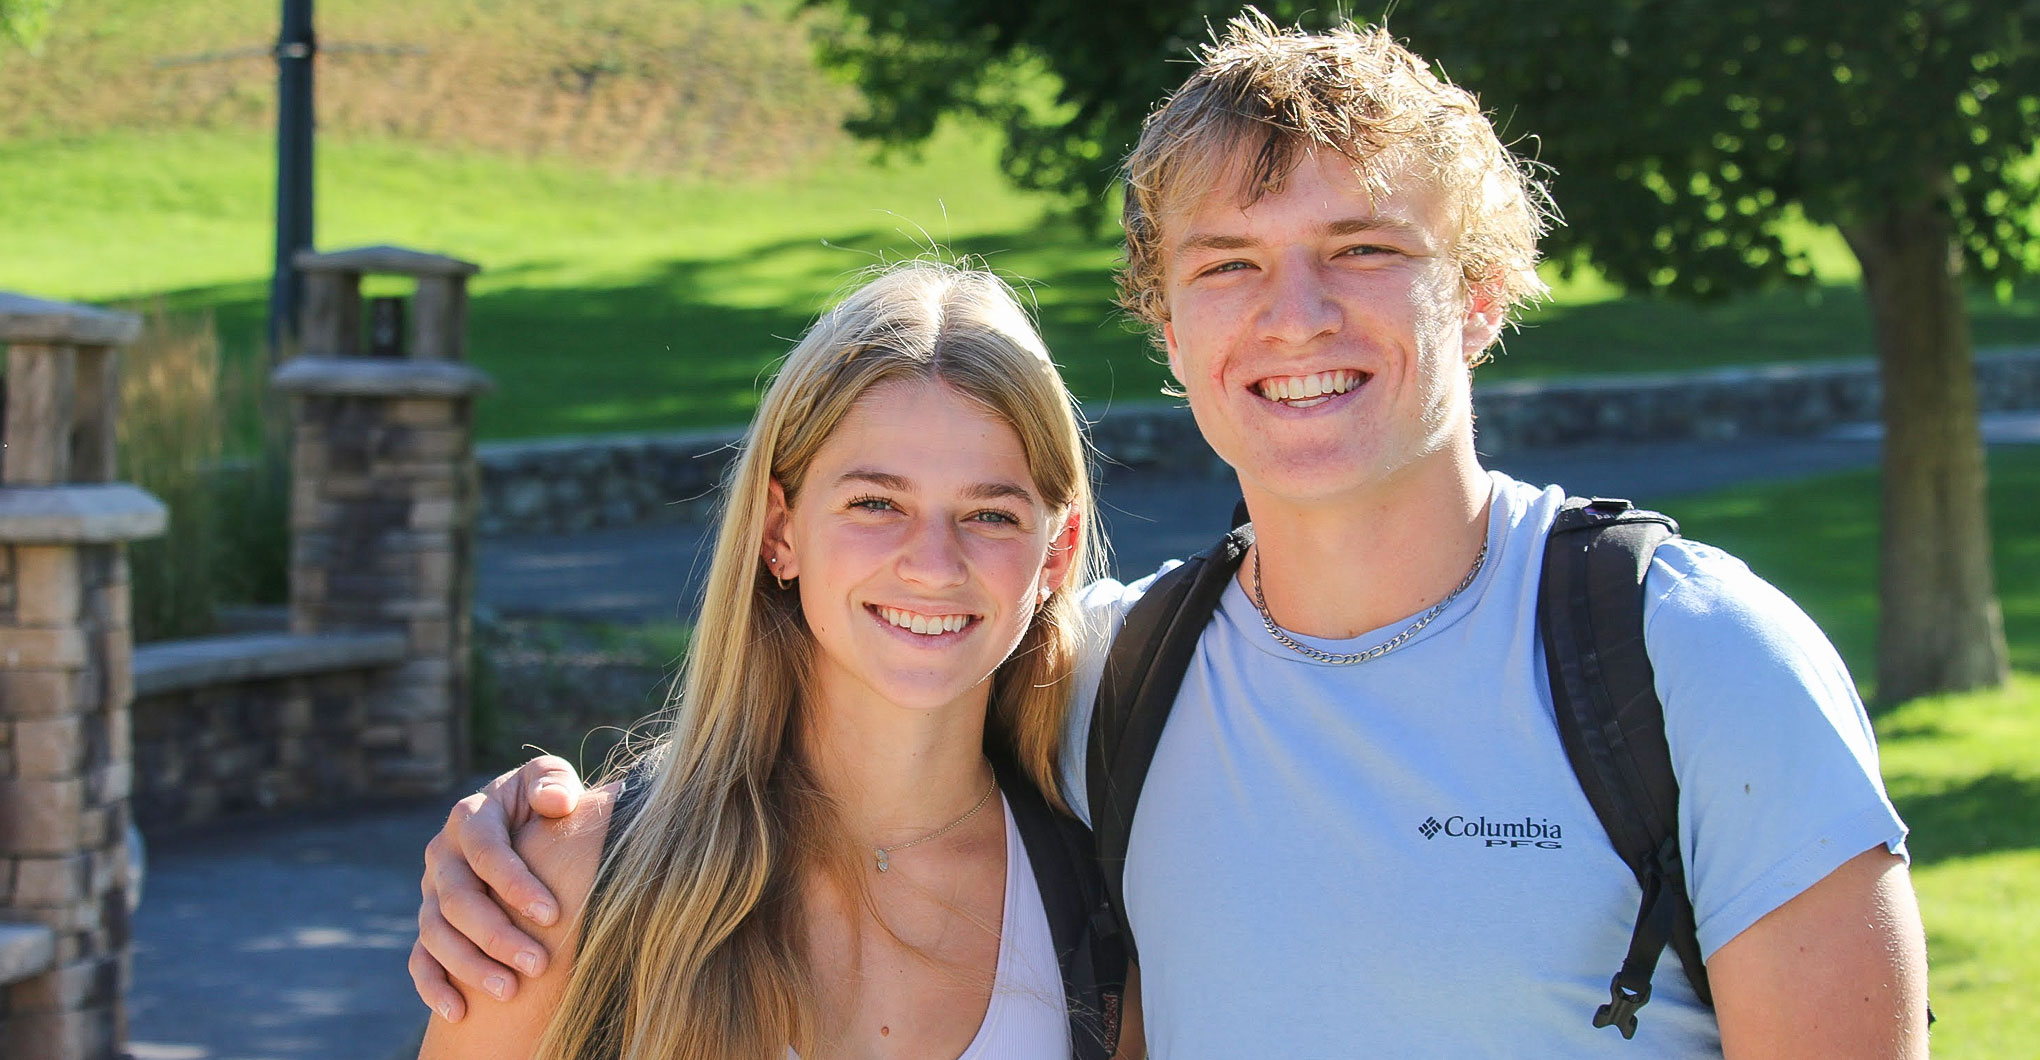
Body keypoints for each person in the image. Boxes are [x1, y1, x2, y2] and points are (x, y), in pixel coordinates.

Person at [415, 13, 1930, 1056]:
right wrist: (530, 845)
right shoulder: (1117, 681)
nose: (1297, 318)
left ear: (1476, 296)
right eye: (1230, 264)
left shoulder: (1691, 663)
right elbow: (873, 691)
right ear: (1168, 327)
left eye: (1363, 250)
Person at [416, 261, 1139, 1059]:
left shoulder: (1102, 916)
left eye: (992, 515)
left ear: (1056, 554)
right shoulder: (569, 883)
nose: (933, 564)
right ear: (780, 532)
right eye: (876, 503)